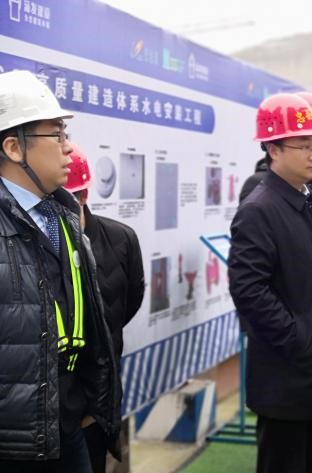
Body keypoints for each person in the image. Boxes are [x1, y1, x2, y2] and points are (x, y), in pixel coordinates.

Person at [0, 70, 120, 473]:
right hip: (13, 443)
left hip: (67, 424)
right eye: (57, 134)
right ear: (14, 147)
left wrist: (86, 401)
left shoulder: (64, 215)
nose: (69, 147)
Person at [228, 93, 312, 473]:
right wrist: (299, 338)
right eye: (304, 145)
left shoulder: (305, 197)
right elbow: (248, 290)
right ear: (273, 149)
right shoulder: (259, 209)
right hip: (288, 377)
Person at [64, 144, 145, 473]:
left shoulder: (121, 239)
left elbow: (128, 304)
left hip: (95, 406)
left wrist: (92, 409)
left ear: (83, 196)